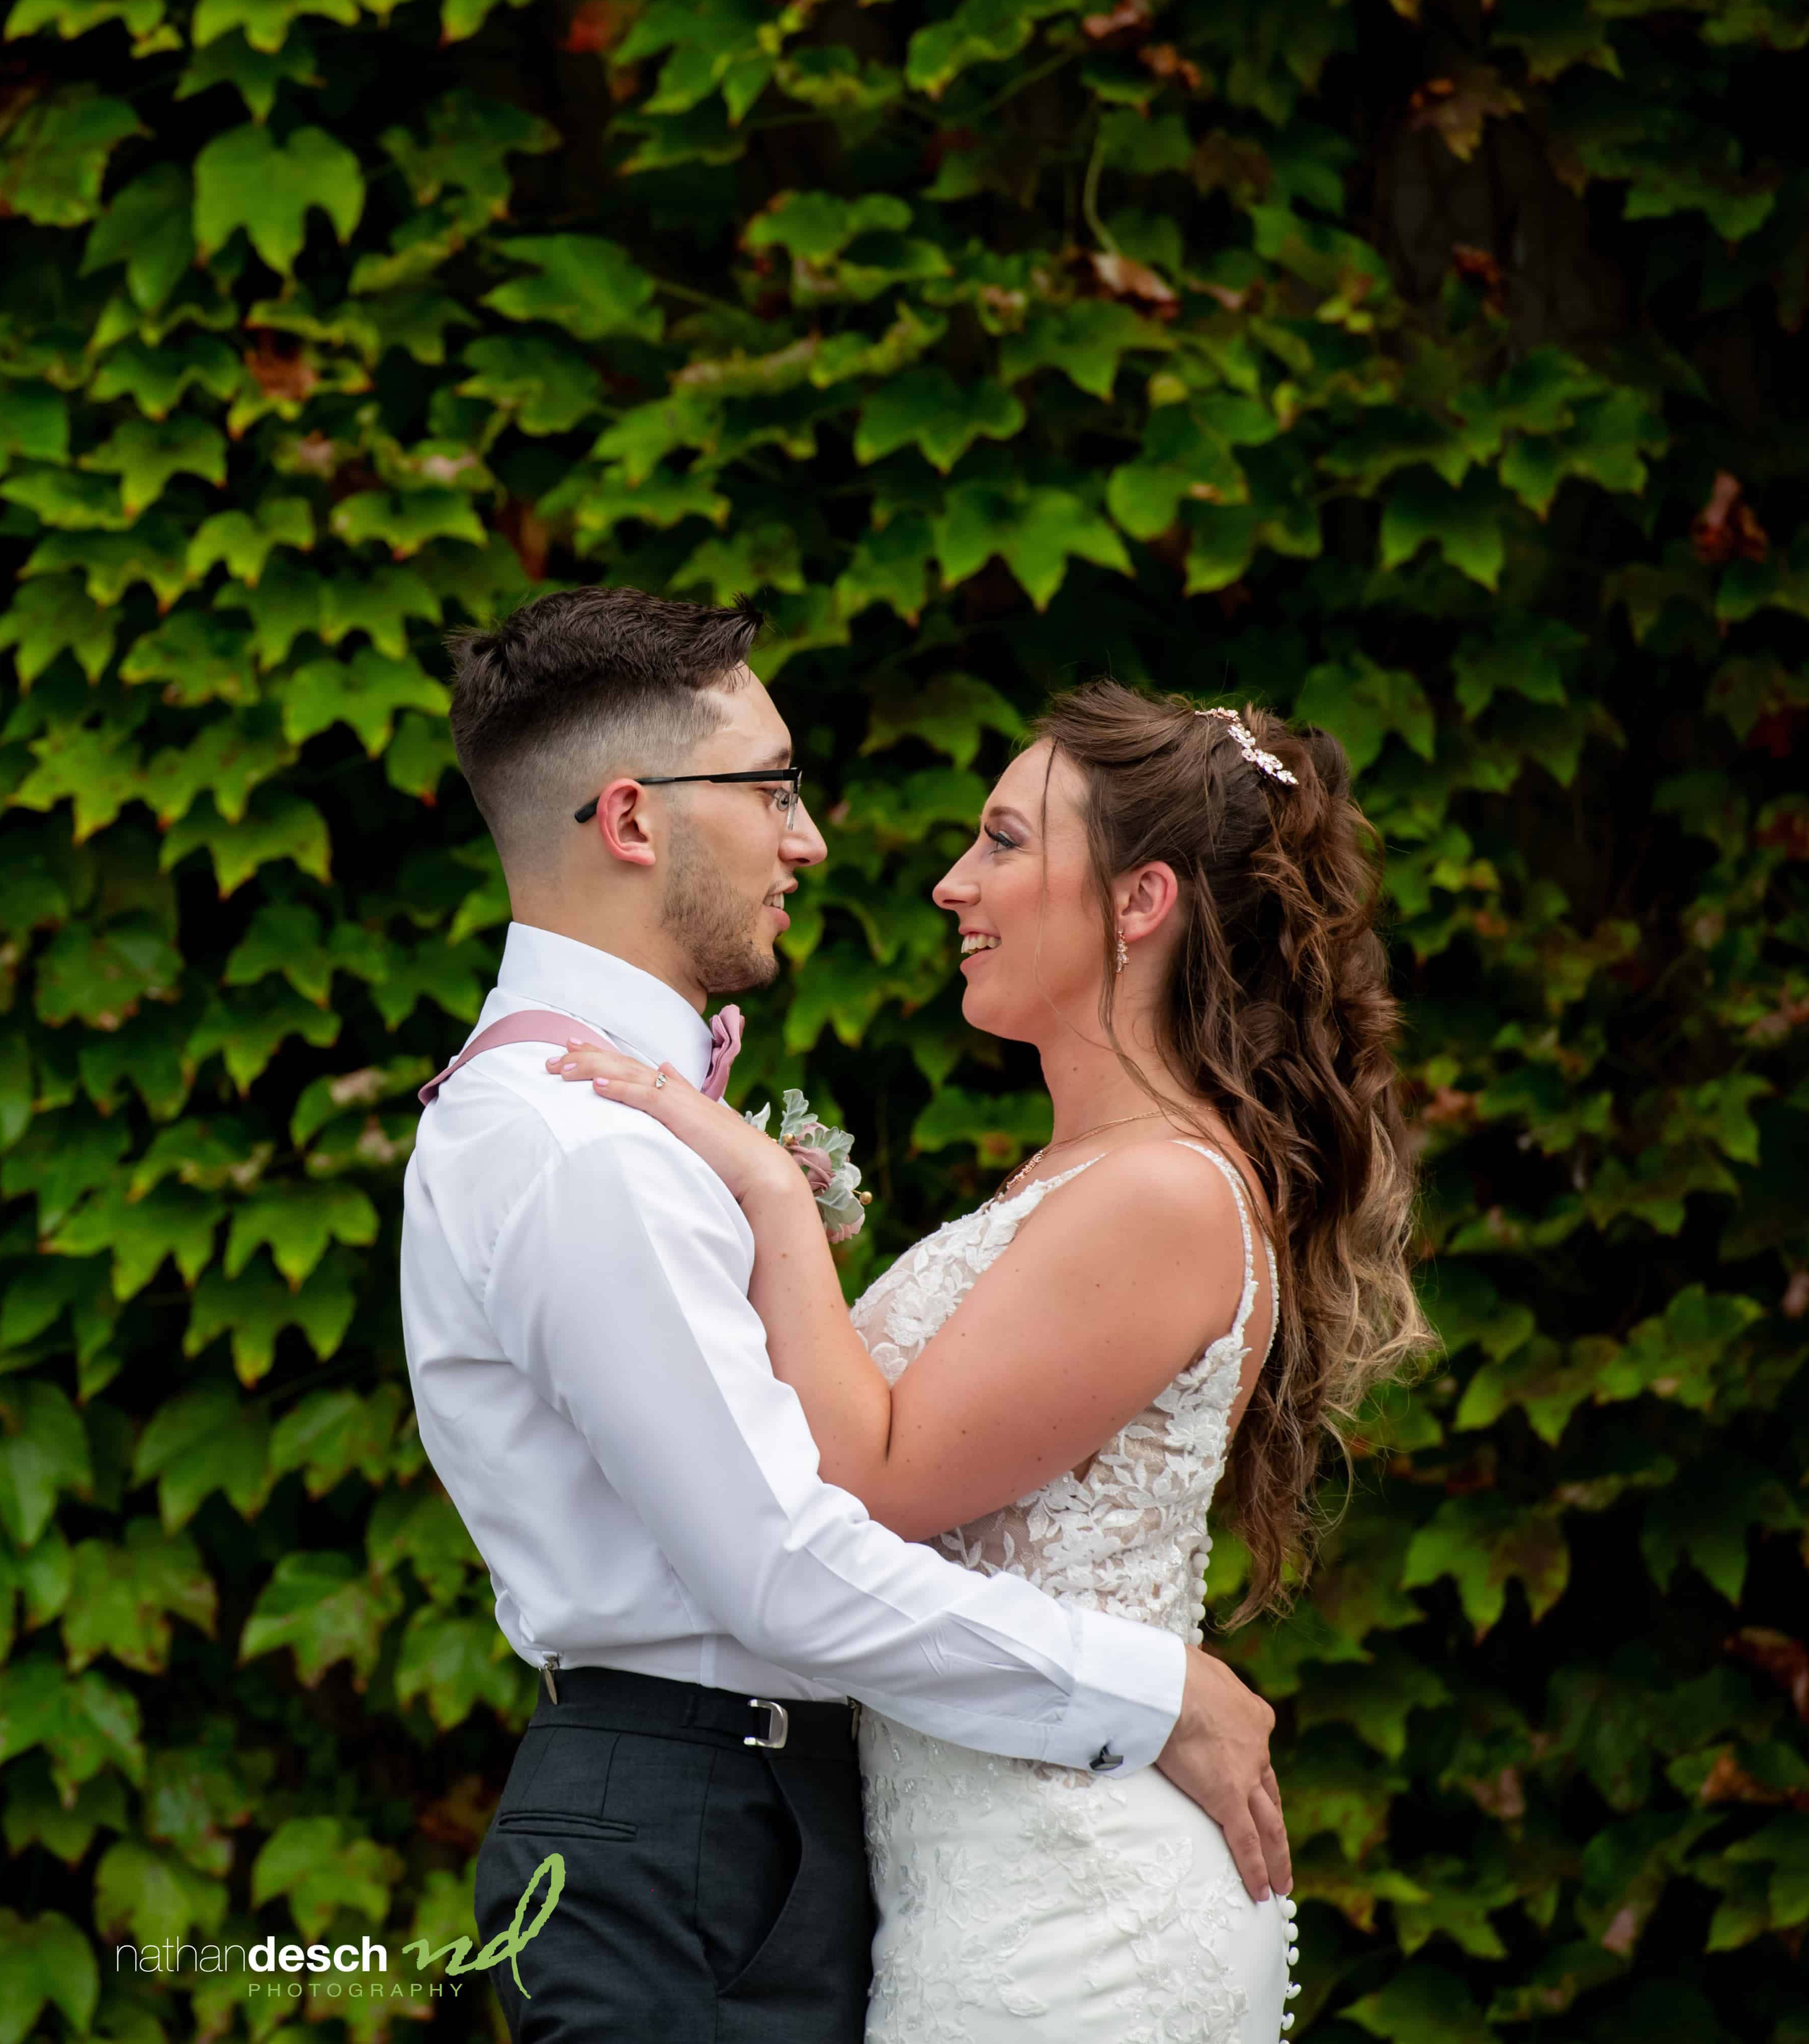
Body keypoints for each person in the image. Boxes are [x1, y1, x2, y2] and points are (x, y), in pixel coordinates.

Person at [402, 588, 1295, 2042]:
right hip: (694, 1821)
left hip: (816, 1832)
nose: (813, 840)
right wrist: (1154, 1691)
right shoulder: (581, 1140)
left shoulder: (641, 1121)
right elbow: (783, 1565)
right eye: (771, 788)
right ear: (632, 822)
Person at [545, 677, 1430, 2040]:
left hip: (1072, 1922)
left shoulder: (1164, 1194)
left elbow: (878, 1480)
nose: (956, 886)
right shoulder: (1079, 1173)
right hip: (983, 1892)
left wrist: (777, 1206)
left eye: (1006, 843)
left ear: (1142, 903)